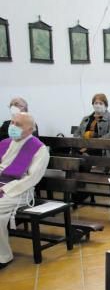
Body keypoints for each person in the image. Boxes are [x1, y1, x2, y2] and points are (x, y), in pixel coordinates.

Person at [0, 112, 49, 269]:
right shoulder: (5, 143)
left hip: (19, 191)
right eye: (12, 122)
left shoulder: (39, 149)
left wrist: (5, 188)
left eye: (18, 124)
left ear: (30, 129)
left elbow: (32, 178)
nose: (12, 126)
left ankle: (3, 256)